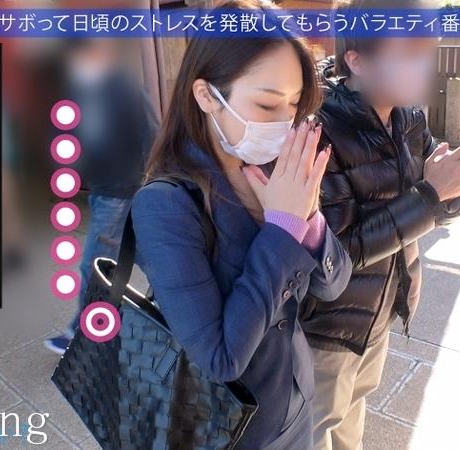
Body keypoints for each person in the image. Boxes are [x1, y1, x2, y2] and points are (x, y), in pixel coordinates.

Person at [131, 1, 352, 448]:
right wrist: (282, 230)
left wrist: (308, 220)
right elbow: (220, 358)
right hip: (231, 428)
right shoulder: (165, 205)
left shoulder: (272, 169)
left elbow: (333, 283)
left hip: (294, 402)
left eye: (295, 104)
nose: (285, 123)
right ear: (207, 96)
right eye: (267, 104)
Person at [300, 1, 460, 448]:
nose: (423, 66)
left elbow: (437, 205)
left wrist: (451, 188)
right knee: (315, 429)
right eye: (409, 53)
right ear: (358, 61)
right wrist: (430, 195)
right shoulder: (322, 130)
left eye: (427, 51)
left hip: (382, 309)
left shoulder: (409, 119)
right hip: (329, 325)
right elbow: (337, 253)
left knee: (352, 420)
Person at [45, 40, 160, 354]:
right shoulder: (78, 89)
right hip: (102, 188)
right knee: (143, 254)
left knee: (95, 262)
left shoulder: (124, 87)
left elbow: (152, 134)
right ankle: (180, 299)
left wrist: (149, 182)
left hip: (121, 189)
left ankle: (83, 330)